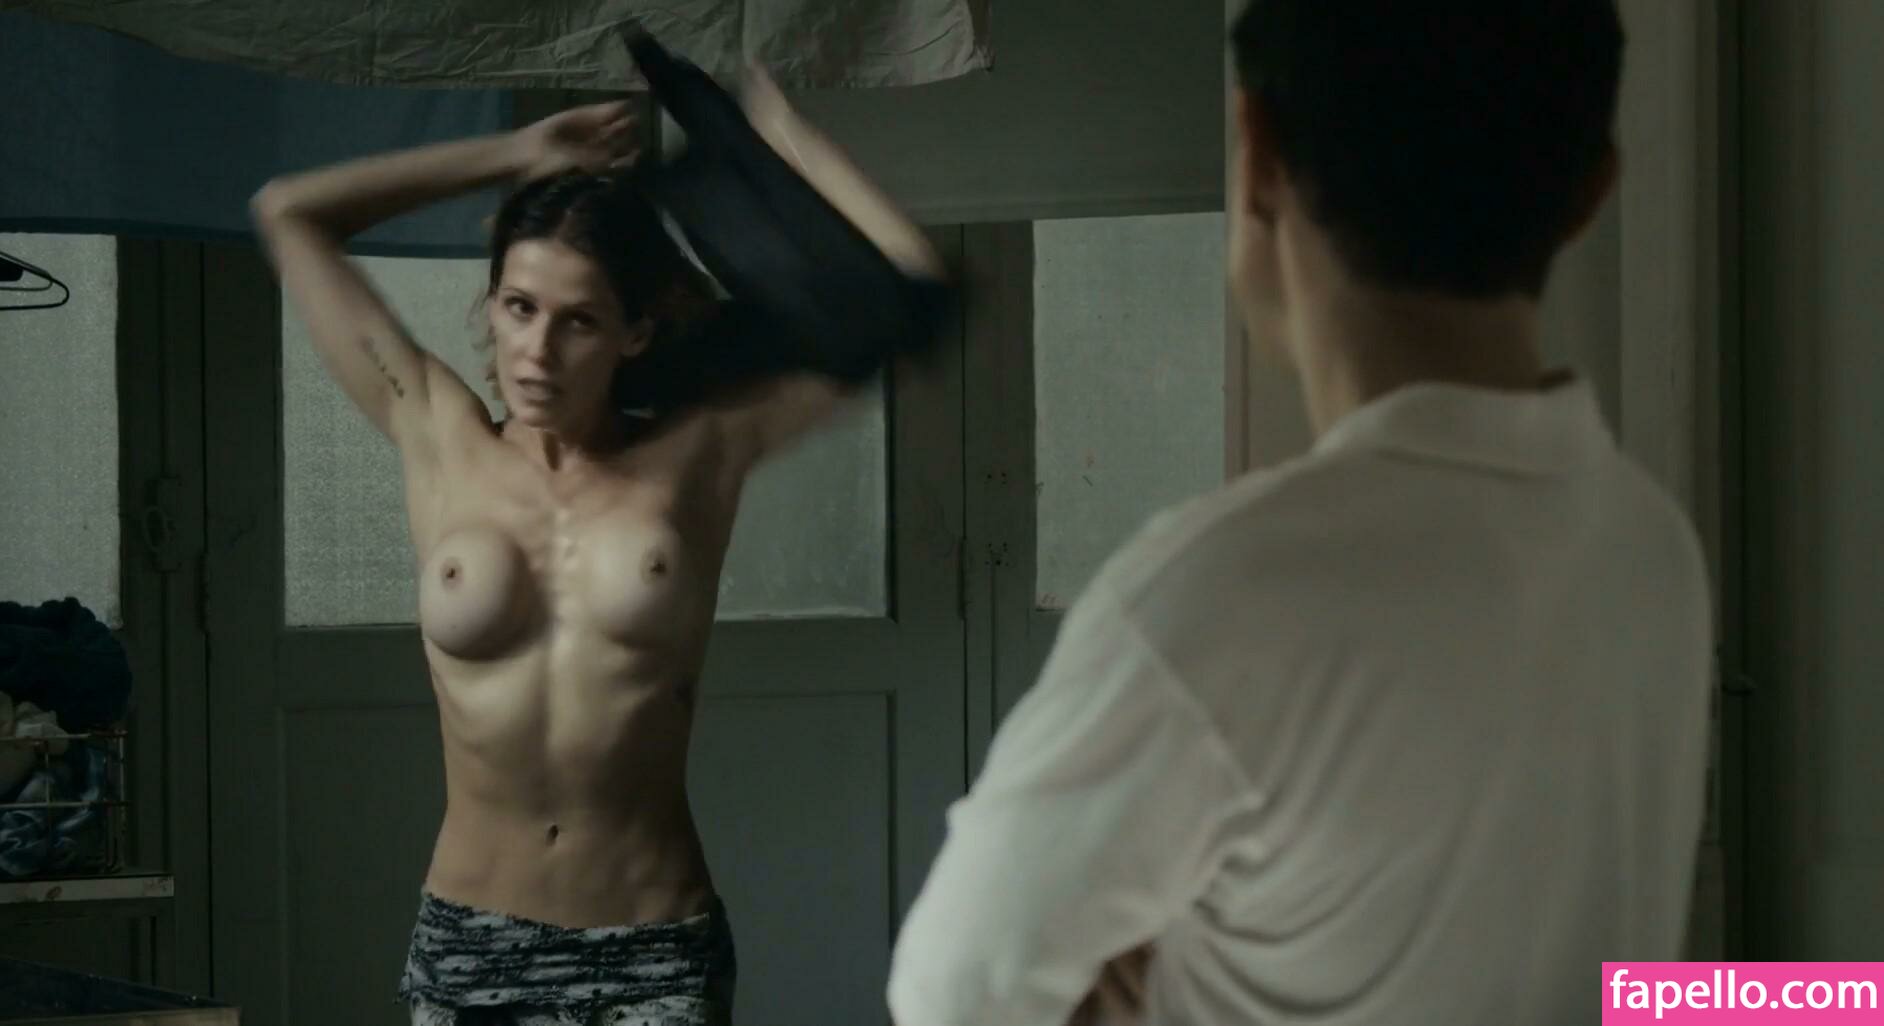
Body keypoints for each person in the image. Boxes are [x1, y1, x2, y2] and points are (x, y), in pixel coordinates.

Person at [887, 1, 1713, 1024]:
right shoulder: (1650, 547)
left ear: (1259, 150)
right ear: (1595, 189)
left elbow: (954, 995)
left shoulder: (1223, 592)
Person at [251, 65, 944, 1026]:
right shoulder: (436, 434)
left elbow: (911, 288)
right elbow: (289, 213)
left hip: (652, 948)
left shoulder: (700, 452)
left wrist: (774, 129)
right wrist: (514, 153)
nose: (537, 353)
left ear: (636, 331)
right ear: (492, 304)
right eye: (519, 308)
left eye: (579, 321)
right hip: (471, 942)